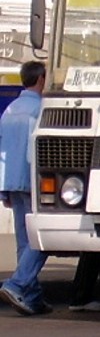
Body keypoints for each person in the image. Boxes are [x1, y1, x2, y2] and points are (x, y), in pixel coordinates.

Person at [0, 60, 51, 315]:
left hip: (12, 181)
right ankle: (18, 284)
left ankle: (32, 296)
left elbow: (3, 150)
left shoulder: (10, 110)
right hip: (34, 181)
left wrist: (3, 190)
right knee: (42, 238)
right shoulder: (41, 110)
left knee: (23, 239)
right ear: (41, 80)